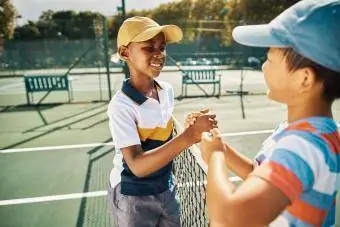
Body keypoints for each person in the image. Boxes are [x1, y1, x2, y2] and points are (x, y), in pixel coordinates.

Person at [190, 0, 340, 226]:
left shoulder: (303, 146)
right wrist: (221, 148)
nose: (263, 66)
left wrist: (214, 158)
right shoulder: (309, 134)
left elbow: (229, 218)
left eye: (269, 58)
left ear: (304, 79)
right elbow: (258, 173)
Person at [107, 16, 217, 227]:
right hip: (133, 196)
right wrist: (190, 136)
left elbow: (163, 135)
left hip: (166, 188)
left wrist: (188, 126)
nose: (158, 53)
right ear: (124, 53)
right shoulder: (121, 106)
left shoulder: (166, 91)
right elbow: (137, 166)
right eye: (148, 48)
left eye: (162, 47)